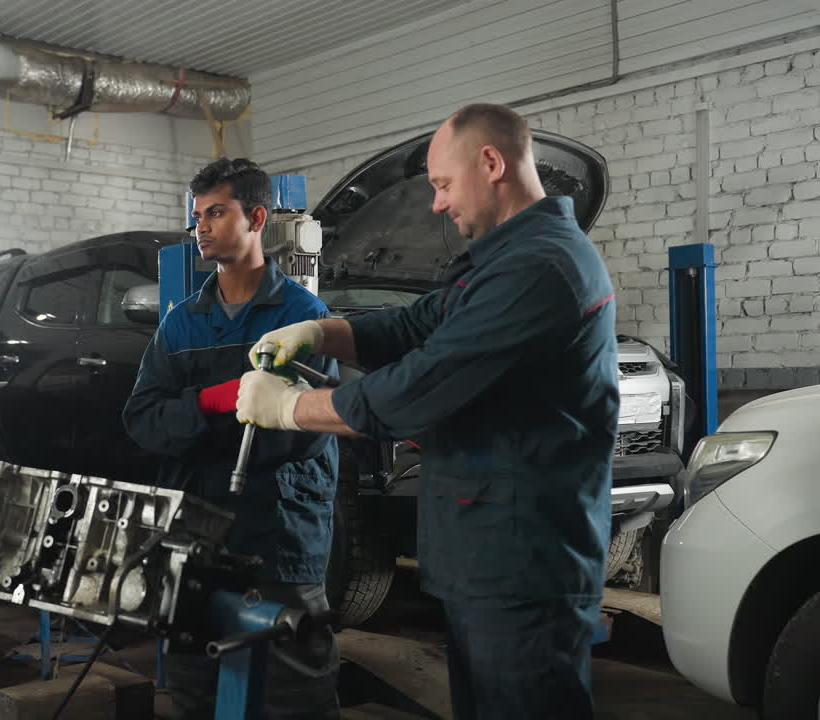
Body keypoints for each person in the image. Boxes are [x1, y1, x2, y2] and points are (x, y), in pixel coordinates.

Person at [237, 104, 619, 720]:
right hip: (489, 557)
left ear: (491, 163)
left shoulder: (540, 266)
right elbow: (420, 321)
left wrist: (289, 407)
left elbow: (418, 389)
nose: (437, 204)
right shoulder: (507, 257)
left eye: (442, 185)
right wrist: (321, 332)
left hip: (522, 564)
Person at [122, 157, 341, 719]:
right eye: (197, 215)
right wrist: (212, 404)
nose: (202, 226)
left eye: (217, 212)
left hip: (280, 534)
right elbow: (142, 418)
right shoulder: (181, 323)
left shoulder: (302, 316)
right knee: (196, 685)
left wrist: (196, 431)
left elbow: (311, 429)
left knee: (294, 691)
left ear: (258, 217)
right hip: (196, 534)